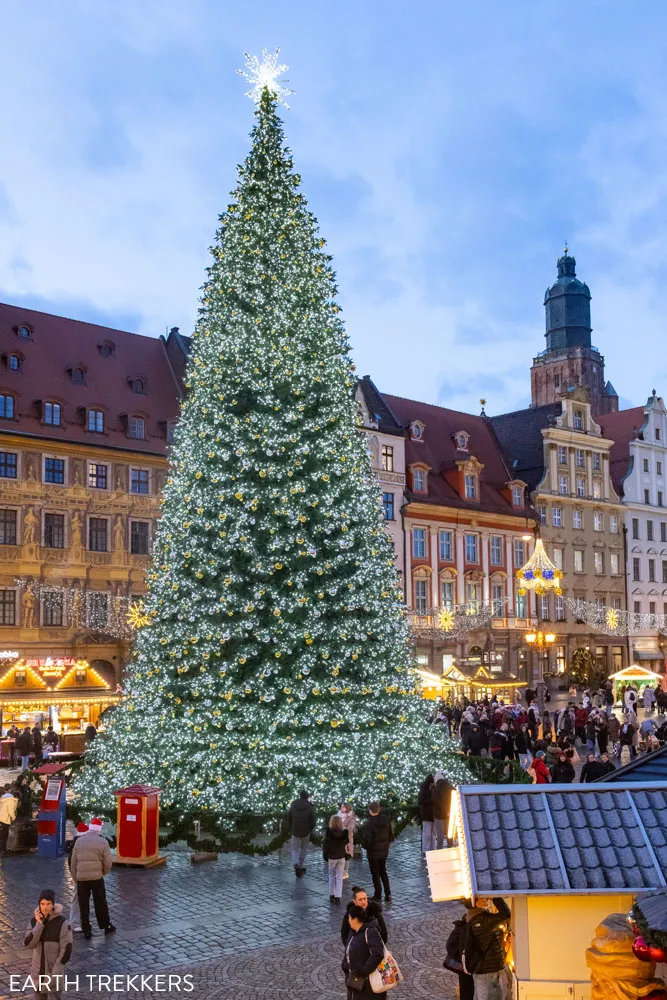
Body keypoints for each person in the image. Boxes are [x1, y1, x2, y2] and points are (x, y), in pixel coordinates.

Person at [69, 817, 115, 939]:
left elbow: (73, 862)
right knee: (100, 902)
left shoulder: (79, 841)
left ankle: (86, 929)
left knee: (83, 904)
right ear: (99, 829)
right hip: (96, 877)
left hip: (82, 878)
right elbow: (108, 861)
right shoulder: (102, 842)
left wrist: (75, 877)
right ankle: (105, 925)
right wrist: (103, 872)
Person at [23, 889, 73, 992]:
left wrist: (56, 971)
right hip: (37, 975)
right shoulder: (34, 921)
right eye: (42, 904)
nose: (45, 907)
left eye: (48, 904)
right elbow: (28, 944)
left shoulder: (62, 923)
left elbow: (66, 950)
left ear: (53, 904)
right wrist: (39, 925)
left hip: (53, 975)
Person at [463, 896, 512, 998]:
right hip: (488, 970)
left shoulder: (472, 917)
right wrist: (495, 897)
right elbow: (506, 914)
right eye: (482, 898)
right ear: (476, 903)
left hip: (481, 968)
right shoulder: (483, 920)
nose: (486, 899)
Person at [342, 903, 385, 1000]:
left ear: (355, 919)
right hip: (355, 981)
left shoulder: (370, 932)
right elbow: (348, 951)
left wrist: (363, 972)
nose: (348, 920)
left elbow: (378, 953)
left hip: (368, 984)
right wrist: (345, 965)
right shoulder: (353, 933)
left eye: (349, 918)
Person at [362, 802, 393, 904]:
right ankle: (388, 893)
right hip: (384, 850)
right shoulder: (386, 820)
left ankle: (378, 894)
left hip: (373, 852)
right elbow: (391, 835)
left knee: (375, 873)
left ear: (370, 810)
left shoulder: (369, 823)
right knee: (383, 871)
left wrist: (365, 846)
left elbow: (368, 840)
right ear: (379, 809)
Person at [444, 903, 474, 1000]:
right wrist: (460, 957)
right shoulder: (462, 929)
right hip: (465, 966)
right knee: (467, 990)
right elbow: (450, 945)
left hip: (468, 966)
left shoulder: (465, 928)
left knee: (468, 990)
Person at [287, 789, 315, 877]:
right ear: (307, 797)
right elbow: (313, 819)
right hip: (306, 830)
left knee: (295, 848)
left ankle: (295, 863)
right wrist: (310, 828)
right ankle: (300, 865)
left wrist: (291, 827)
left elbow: (289, 817)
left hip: (295, 829)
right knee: (303, 849)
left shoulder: (294, 804)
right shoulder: (309, 806)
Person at [323, 814, 348, 905]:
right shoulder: (344, 832)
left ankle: (331, 894)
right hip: (341, 857)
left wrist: (325, 856)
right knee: (339, 877)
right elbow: (347, 843)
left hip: (332, 857)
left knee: (331, 876)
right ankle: (338, 896)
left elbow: (326, 846)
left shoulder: (328, 833)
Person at [432, 771, 452, 850]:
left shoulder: (435, 789)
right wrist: (448, 809)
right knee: (449, 834)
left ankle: (439, 851)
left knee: (440, 836)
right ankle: (450, 848)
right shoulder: (449, 787)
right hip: (448, 814)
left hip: (439, 815)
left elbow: (436, 801)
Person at [338, 802, 357, 879]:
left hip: (347, 839)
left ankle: (345, 871)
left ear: (347, 808)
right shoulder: (338, 815)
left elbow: (350, 828)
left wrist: (340, 826)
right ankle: (340, 870)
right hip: (339, 838)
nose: (341, 808)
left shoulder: (351, 817)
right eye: (341, 806)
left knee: (346, 855)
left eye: (343, 807)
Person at [418, 775, 435, 853]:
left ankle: (432, 848)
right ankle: (426, 850)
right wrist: (431, 801)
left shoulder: (433, 788)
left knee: (433, 833)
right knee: (427, 833)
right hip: (426, 814)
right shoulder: (423, 789)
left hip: (433, 814)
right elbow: (421, 801)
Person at [0, 783, 18, 854]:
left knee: (1, 835)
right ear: (10, 790)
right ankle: (3, 850)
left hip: (0, 818)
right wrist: (13, 818)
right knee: (5, 835)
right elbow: (11, 811)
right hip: (5, 819)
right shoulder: (10, 799)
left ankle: (1, 849)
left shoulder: (2, 798)